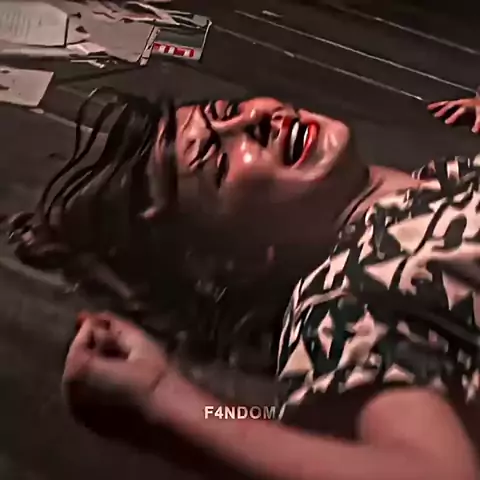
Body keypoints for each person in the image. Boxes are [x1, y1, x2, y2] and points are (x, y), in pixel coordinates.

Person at [9, 88, 480, 480]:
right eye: (217, 159)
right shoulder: (343, 300)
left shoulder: (440, 179)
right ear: (240, 260)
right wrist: (163, 399)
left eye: (229, 110)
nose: (253, 121)